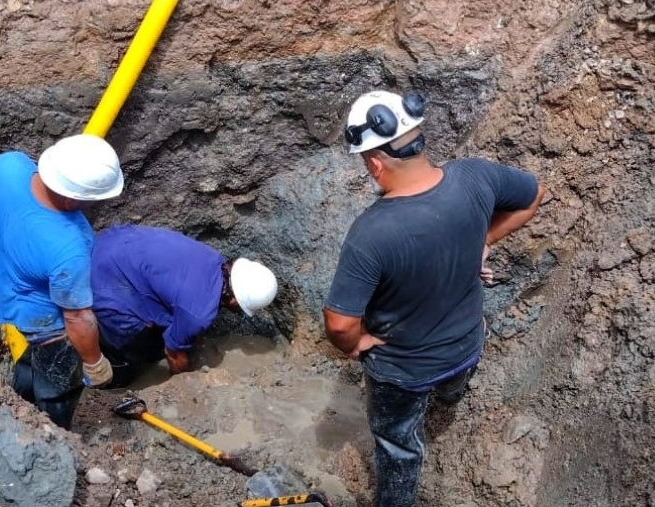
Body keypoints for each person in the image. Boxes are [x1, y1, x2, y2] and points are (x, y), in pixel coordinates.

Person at [323, 90, 543, 507]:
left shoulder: (371, 233)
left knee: (398, 443)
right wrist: (485, 240)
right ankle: (449, 398)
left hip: (404, 373)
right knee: (453, 383)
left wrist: (355, 344)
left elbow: (339, 323)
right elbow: (532, 196)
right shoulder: (475, 176)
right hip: (466, 345)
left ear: (374, 164)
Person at [0, 133, 125, 429]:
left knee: (30, 362)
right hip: (47, 324)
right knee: (59, 384)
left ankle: (17, 406)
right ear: (73, 197)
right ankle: (52, 431)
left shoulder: (6, 166)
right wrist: (94, 363)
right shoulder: (68, 246)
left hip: (5, 296)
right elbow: (78, 317)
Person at [88, 224, 278, 387]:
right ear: (235, 301)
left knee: (161, 334)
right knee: (133, 351)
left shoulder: (214, 259)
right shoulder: (199, 313)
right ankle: (111, 382)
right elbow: (174, 354)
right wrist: (183, 381)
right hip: (101, 280)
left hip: (110, 241)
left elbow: (186, 303)